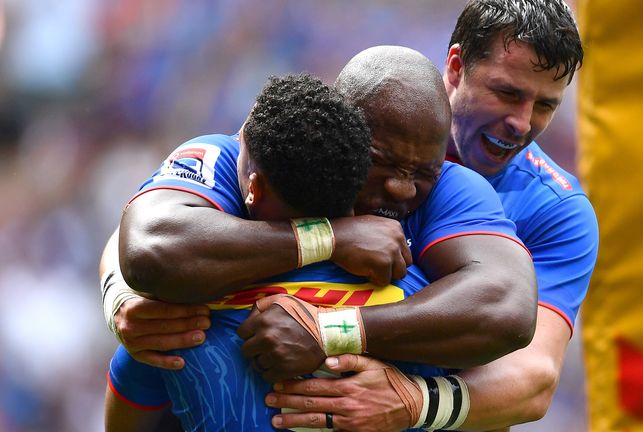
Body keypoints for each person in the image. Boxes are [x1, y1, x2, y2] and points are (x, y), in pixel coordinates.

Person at [102, 45, 536, 430]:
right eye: (382, 162)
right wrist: (328, 237)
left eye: (422, 172)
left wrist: (332, 332)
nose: (403, 189)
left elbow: (508, 309)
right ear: (341, 125)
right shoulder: (243, 156)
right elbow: (147, 246)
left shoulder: (451, 188)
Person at [261, 0, 598, 430]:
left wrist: (414, 400)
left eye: (545, 106)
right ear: (456, 66)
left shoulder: (557, 211)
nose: (522, 122)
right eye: (508, 93)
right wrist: (151, 299)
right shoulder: (360, 114)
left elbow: (533, 379)